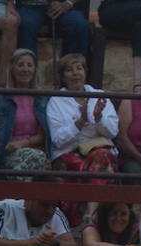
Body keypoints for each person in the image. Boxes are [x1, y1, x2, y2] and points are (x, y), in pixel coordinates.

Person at [46, 53, 118, 186]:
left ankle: (92, 206)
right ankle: (95, 206)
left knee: (101, 157)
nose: (75, 73)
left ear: (85, 72)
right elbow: (58, 140)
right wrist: (80, 122)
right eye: (69, 70)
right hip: (69, 152)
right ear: (63, 77)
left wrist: (99, 118)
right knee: (87, 166)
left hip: (100, 150)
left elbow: (113, 132)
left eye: (79, 68)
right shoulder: (55, 101)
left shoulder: (100, 96)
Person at [0, 48, 49, 173]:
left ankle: (16, 192)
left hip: (36, 152)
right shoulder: (0, 98)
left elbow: (42, 135)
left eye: (29, 65)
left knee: (36, 159)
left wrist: (21, 143)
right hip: (8, 152)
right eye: (20, 65)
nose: (25, 69)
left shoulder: (42, 99)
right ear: (12, 69)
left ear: (35, 69)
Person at [16, 0, 90, 62]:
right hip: (29, 5)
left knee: (78, 25)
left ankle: (75, 72)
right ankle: (26, 73)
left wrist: (69, 3)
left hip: (63, 5)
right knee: (25, 25)